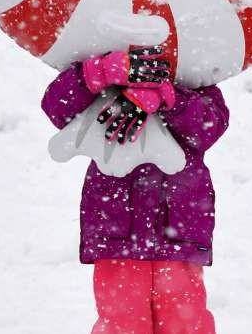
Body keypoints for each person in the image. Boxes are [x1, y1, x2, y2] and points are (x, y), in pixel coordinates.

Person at [41, 47, 229, 334]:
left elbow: (209, 126)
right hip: (118, 226)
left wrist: (169, 96)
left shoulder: (190, 63)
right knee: (122, 322)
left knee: (184, 322)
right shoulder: (103, 49)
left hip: (176, 225)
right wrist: (99, 72)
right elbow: (57, 108)